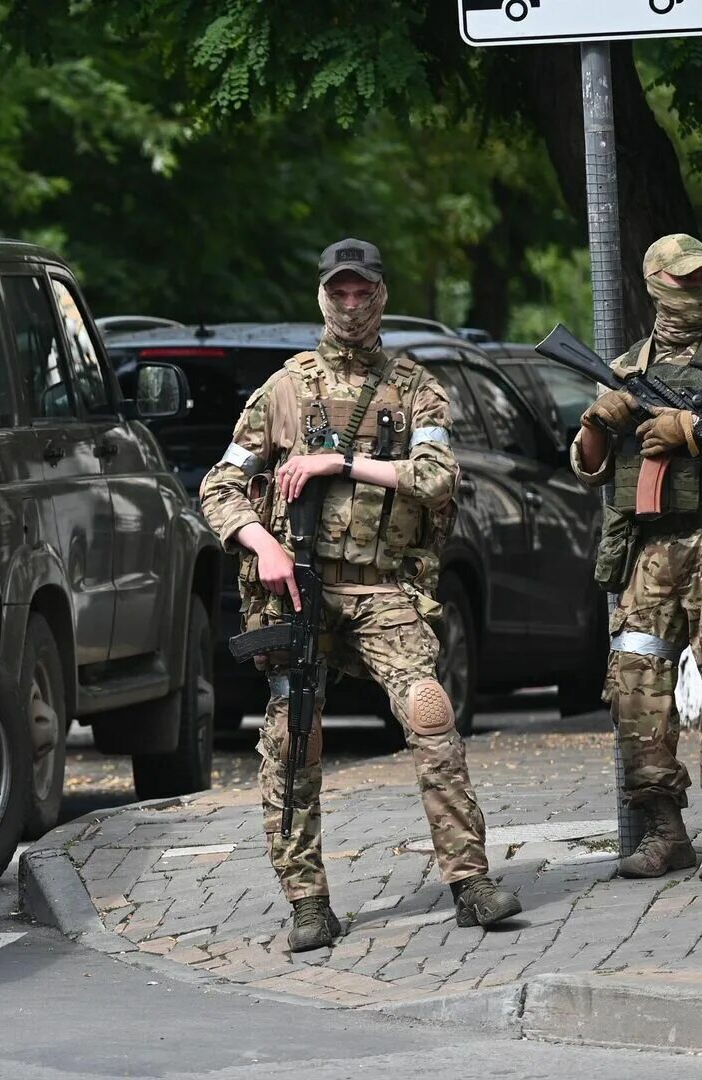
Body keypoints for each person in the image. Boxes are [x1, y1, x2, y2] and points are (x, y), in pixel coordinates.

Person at [198, 238, 521, 952]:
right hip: (300, 595)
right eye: (339, 292)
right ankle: (308, 901)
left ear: (381, 294)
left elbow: (438, 477)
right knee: (294, 737)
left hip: (381, 589)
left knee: (431, 714)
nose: (350, 305)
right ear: (323, 293)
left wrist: (340, 461)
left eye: (362, 292)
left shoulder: (414, 388)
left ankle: (469, 882)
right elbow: (218, 487)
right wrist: (264, 543)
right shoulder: (283, 389)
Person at [570, 234, 702, 883]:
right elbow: (586, 468)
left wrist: (698, 429)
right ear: (655, 283)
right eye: (684, 280)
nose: (697, 291)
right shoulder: (627, 368)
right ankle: (666, 829)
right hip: (652, 548)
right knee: (635, 683)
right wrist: (595, 423)